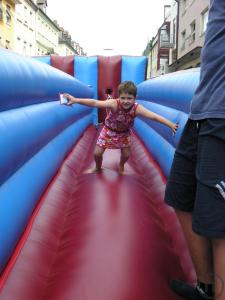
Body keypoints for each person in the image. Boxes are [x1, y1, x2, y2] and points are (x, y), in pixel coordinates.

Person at [164, 1, 225, 300]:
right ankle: (206, 287)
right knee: (179, 194)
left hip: (222, 117)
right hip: (201, 113)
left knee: (221, 229)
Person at [63, 81, 178, 174]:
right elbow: (94, 103)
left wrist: (170, 124)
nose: (126, 101)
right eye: (123, 98)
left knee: (126, 154)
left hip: (124, 133)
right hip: (108, 131)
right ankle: (98, 167)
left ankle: (121, 165)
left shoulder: (137, 108)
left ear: (135, 98)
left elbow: (154, 117)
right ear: (118, 97)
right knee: (97, 153)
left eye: (129, 98)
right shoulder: (114, 103)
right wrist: (76, 100)